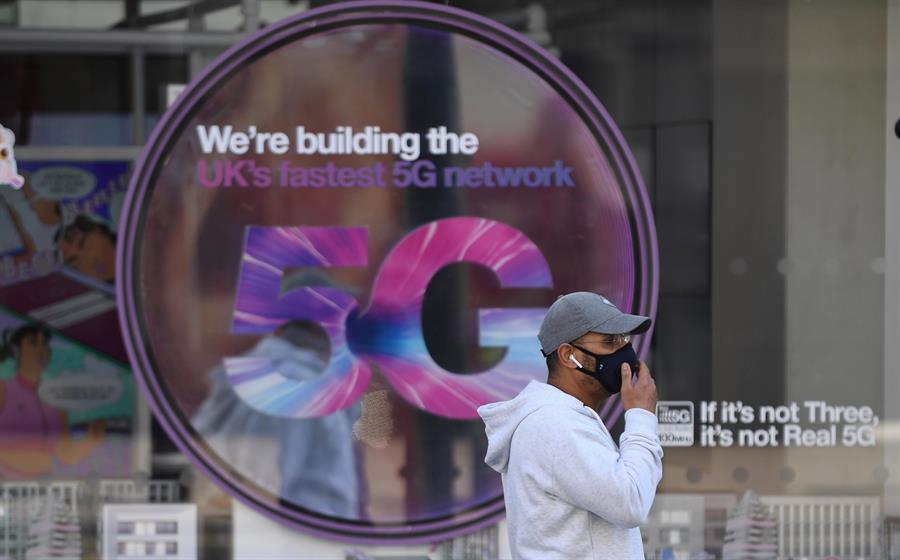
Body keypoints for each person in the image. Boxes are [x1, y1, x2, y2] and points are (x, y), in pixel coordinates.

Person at [477, 291, 663, 559]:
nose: (625, 352)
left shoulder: (563, 419)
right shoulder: (553, 424)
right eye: (610, 341)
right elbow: (630, 501)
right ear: (568, 355)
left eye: (624, 339)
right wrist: (641, 416)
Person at [0, 323, 105, 477]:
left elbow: (66, 455)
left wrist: (91, 441)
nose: (41, 349)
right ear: (17, 351)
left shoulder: (56, 398)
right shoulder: (3, 389)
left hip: (46, 484)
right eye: (33, 342)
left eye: (44, 344)